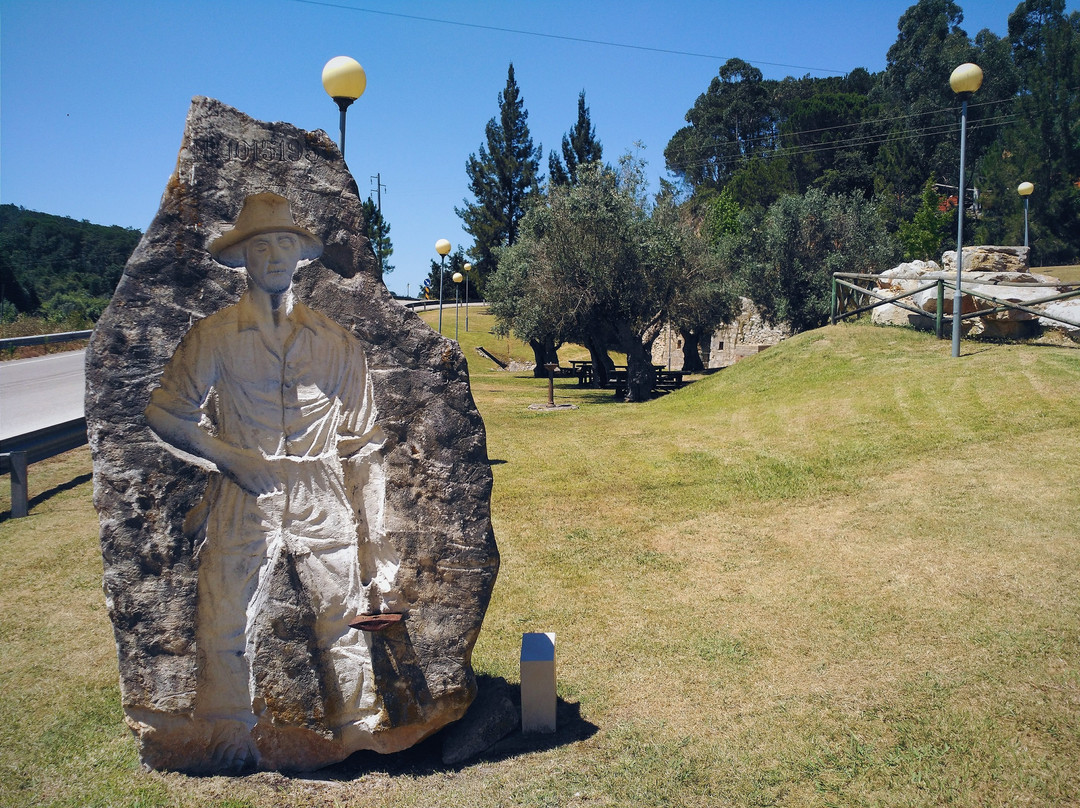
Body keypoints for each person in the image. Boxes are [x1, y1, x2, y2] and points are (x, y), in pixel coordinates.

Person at [145, 192, 386, 768]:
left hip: (320, 491)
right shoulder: (216, 335)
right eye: (260, 245)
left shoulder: (334, 340)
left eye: (284, 244)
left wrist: (378, 544)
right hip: (241, 493)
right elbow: (165, 412)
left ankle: (359, 729)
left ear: (302, 255)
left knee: (342, 617)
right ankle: (227, 737)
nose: (273, 256)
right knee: (225, 616)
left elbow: (364, 441)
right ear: (243, 258)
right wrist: (229, 456)